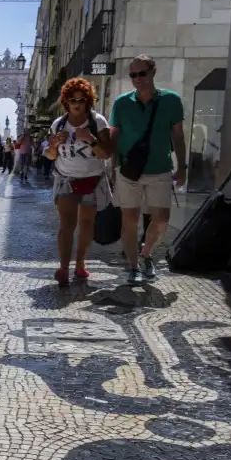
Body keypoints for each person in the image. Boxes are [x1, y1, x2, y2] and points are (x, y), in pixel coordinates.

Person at [110, 54, 187, 285]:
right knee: (130, 219)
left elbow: (178, 135)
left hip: (160, 168)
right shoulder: (122, 103)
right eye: (133, 75)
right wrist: (112, 164)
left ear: (153, 72)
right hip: (128, 169)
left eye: (142, 73)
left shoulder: (171, 100)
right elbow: (115, 134)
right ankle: (133, 266)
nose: (137, 79)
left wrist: (181, 166)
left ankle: (146, 253)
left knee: (162, 218)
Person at [43, 78, 114, 286]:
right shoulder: (58, 124)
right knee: (67, 225)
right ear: (66, 101)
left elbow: (106, 153)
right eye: (73, 99)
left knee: (86, 224)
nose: (77, 103)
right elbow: (49, 155)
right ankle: (64, 268)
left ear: (88, 101)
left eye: (81, 100)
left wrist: (90, 139)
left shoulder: (98, 122)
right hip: (66, 179)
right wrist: (54, 146)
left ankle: (80, 264)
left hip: (92, 180)